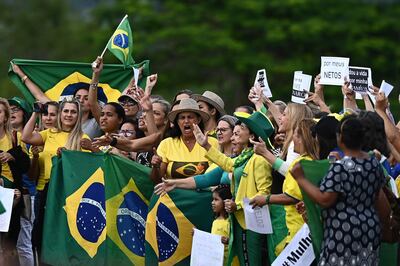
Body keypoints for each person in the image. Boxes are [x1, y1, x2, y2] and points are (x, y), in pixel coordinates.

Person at [290, 116, 385, 265]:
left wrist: (301, 178)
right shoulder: (373, 163)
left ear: (340, 139)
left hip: (343, 233)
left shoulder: (340, 167)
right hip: (369, 231)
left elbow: (325, 199)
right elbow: (380, 198)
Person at [194, 111, 274, 266]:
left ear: (251, 136)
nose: (232, 137)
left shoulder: (259, 160)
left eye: (239, 131)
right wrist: (205, 144)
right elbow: (227, 163)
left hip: (252, 224)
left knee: (252, 262)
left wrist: (237, 205)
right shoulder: (244, 157)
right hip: (239, 219)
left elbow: (264, 194)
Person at [21, 99, 90, 259]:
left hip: (69, 194)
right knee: (40, 235)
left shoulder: (83, 137)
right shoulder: (50, 133)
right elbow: (26, 137)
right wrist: (36, 113)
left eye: (73, 112)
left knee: (62, 236)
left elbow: (85, 170)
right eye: (66, 111)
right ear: (60, 114)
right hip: (44, 191)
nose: (69, 115)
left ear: (78, 115)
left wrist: (67, 158)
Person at [250, 119, 319, 247]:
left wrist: (266, 199)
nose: (292, 138)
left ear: (302, 139)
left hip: (298, 232)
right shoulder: (312, 161)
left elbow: (292, 197)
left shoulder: (301, 163)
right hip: (304, 229)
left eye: (295, 135)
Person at [11, 63, 103, 139]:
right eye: (78, 97)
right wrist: (21, 74)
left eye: (86, 98)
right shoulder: (63, 116)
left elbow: (93, 103)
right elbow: (39, 95)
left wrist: (96, 75)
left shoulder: (97, 122)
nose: (81, 100)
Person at [150, 98, 218, 183]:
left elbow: (217, 176)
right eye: (182, 118)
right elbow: (156, 180)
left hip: (204, 194)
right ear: (177, 122)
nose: (186, 121)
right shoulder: (166, 143)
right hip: (174, 194)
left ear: (198, 120)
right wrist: (155, 167)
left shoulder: (212, 143)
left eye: (190, 117)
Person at [210, 184, 232, 265]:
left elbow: (237, 243)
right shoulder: (215, 222)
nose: (212, 202)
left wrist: (228, 241)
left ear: (225, 201)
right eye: (213, 199)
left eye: (216, 199)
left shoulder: (230, 222)